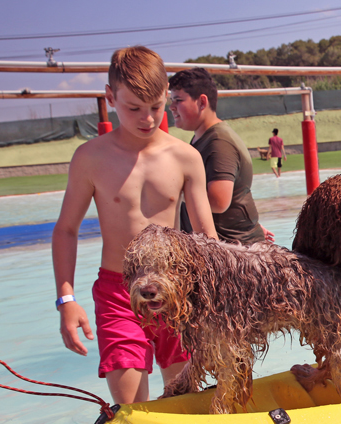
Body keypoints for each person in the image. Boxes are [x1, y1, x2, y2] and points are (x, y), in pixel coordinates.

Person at [52, 46, 218, 405]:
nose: (147, 118)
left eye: (157, 107)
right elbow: (66, 229)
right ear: (110, 97)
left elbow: (206, 234)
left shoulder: (185, 157)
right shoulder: (90, 158)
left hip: (177, 290)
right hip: (119, 294)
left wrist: (217, 295)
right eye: (133, 108)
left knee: (186, 401)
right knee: (131, 407)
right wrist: (66, 300)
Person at [168, 68, 273, 244]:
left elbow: (219, 201)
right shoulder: (203, 138)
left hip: (236, 255)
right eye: (171, 101)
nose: (171, 107)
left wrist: (171, 192)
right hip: (228, 248)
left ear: (202, 102)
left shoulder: (219, 142)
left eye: (178, 100)